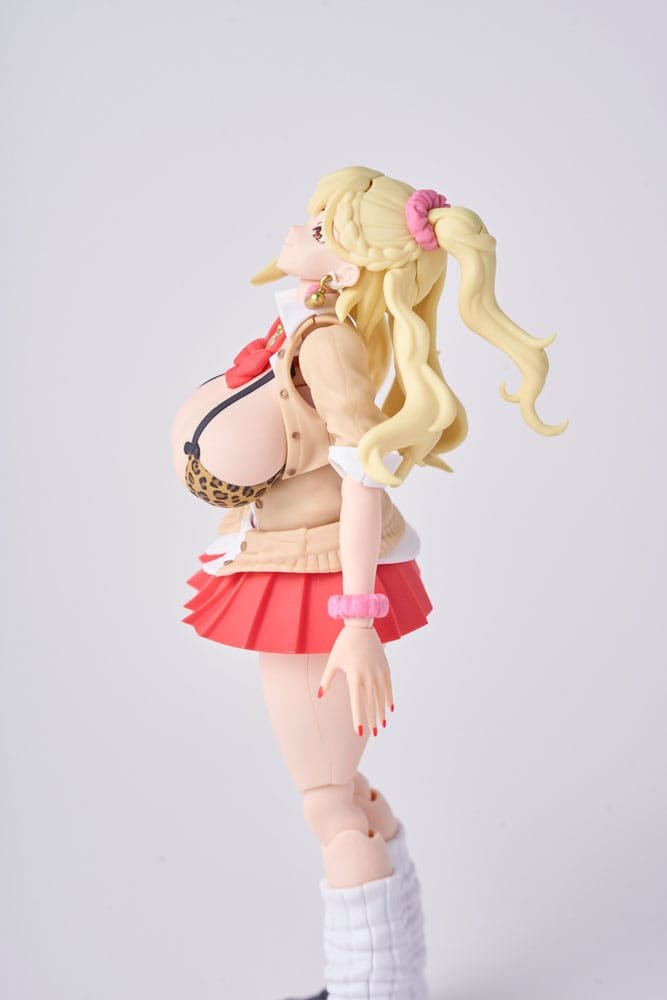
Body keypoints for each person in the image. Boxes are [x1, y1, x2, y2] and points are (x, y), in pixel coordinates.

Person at [172, 166, 566, 1000]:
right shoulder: (304, 323)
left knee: (327, 803)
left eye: (321, 229)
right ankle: (389, 978)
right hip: (288, 559)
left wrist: (356, 620)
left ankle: (370, 990)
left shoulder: (326, 342)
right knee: (342, 791)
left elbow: (362, 478)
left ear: (350, 265)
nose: (298, 228)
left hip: (312, 579)